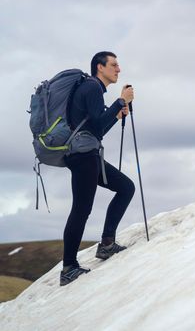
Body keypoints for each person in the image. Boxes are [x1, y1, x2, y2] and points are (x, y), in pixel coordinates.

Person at [60, 51, 135, 286]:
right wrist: (120, 102)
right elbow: (98, 125)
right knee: (82, 209)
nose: (118, 69)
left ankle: (106, 244)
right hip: (84, 157)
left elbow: (97, 128)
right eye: (114, 64)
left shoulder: (91, 89)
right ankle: (69, 267)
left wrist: (116, 113)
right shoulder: (92, 87)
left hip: (85, 154)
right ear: (100, 68)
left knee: (125, 187)